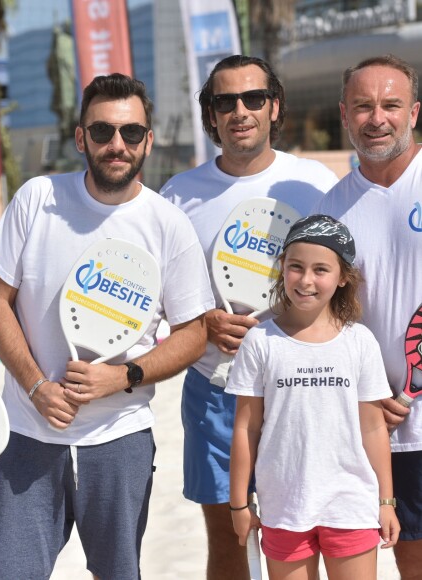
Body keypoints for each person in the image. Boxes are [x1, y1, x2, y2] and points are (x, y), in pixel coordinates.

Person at [0, 73, 214, 580]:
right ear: (80, 136)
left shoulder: (167, 225)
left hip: (120, 436)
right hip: (28, 431)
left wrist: (123, 376)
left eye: (131, 133)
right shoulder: (37, 199)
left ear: (148, 140)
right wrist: (35, 384)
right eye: (102, 131)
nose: (117, 145)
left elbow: (194, 332)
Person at [160, 54, 339, 578]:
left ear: (274, 107)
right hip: (216, 386)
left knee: (305, 533)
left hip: (305, 382)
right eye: (225, 101)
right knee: (228, 537)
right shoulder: (178, 193)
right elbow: (162, 301)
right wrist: (203, 321)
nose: (240, 111)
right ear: (210, 114)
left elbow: (343, 281)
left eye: (253, 98)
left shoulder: (313, 183)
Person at [227, 214, 400, 580]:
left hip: (350, 504)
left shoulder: (360, 342)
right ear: (282, 269)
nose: (306, 280)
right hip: (283, 507)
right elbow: (246, 428)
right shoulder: (260, 342)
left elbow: (373, 428)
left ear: (342, 278)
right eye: (296, 267)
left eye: (320, 269)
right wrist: (239, 504)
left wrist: (386, 501)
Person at [314, 54, 422, 579]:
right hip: (377, 429)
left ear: (415, 112)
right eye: (362, 106)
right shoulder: (329, 214)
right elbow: (323, 321)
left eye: (391, 105)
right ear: (343, 115)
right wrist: (370, 393)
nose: (376, 118)